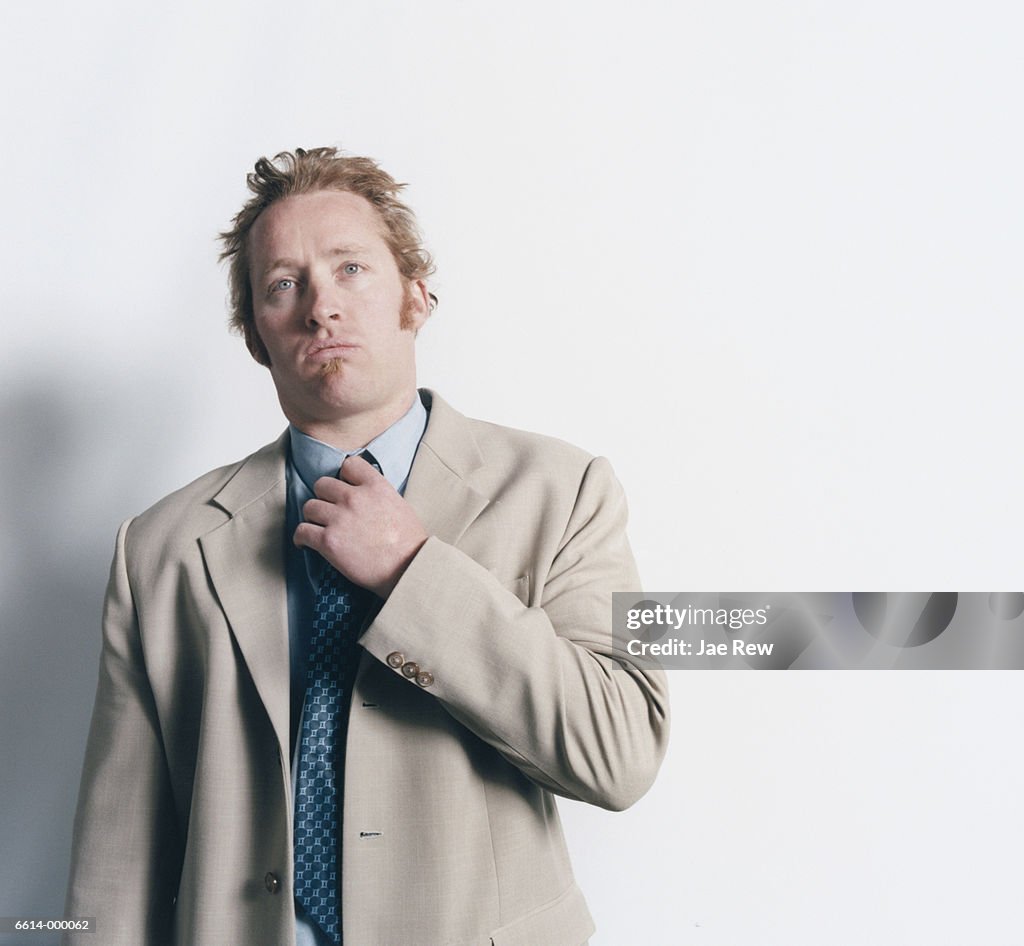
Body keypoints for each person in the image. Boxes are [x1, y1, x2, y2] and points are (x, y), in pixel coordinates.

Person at [63, 147, 670, 946]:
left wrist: (414, 572)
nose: (322, 308)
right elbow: (118, 862)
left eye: (351, 269)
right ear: (256, 336)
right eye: (284, 285)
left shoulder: (564, 491)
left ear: (416, 298)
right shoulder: (159, 550)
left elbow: (619, 752)